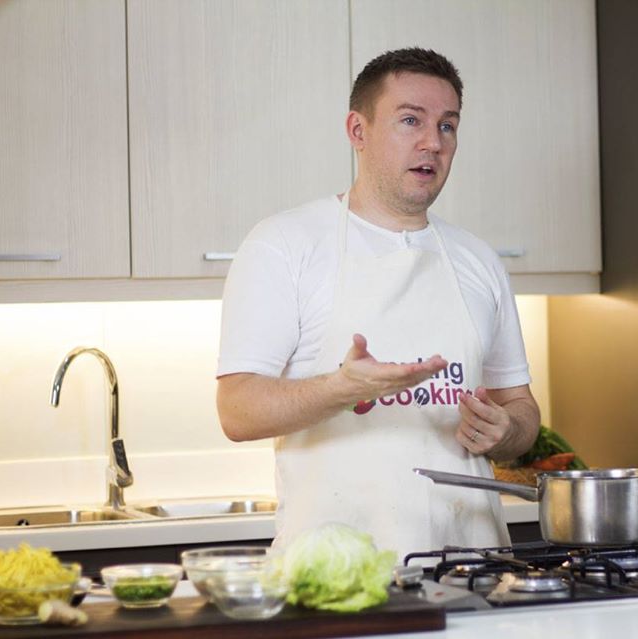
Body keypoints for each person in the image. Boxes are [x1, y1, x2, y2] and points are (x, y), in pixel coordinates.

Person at [215, 48, 540, 557]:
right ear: (358, 131)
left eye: (447, 126)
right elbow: (237, 411)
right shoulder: (285, 244)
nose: (433, 142)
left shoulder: (478, 259)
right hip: (335, 575)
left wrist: (508, 431)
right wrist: (341, 388)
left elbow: (520, 407)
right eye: (410, 120)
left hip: (473, 569)